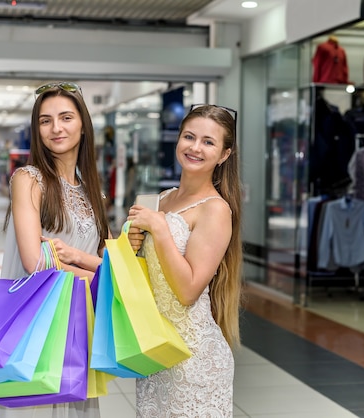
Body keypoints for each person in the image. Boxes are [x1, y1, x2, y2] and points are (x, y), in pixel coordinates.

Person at [0, 82, 110, 418]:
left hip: (77, 329)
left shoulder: (93, 194)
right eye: (45, 120)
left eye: (66, 117)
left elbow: (111, 264)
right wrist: (97, 273)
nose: (56, 128)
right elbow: (35, 262)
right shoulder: (29, 179)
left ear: (83, 124)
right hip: (35, 327)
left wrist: (81, 262)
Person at [127, 104, 243, 417]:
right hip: (155, 349)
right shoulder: (161, 199)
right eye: (189, 136)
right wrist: (128, 245)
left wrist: (160, 230)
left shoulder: (216, 211)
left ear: (224, 155)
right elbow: (138, 276)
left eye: (208, 142)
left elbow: (188, 290)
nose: (195, 147)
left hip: (194, 360)